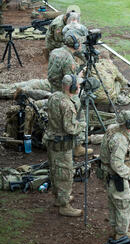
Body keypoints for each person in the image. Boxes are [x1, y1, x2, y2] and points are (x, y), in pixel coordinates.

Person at [99, 109, 130, 239]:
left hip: (107, 173)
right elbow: (116, 164)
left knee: (114, 202)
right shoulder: (120, 139)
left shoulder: (113, 128)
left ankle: (115, 228)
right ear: (127, 123)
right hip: (116, 176)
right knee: (124, 204)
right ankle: (121, 235)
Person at [42, 74, 86, 217]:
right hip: (62, 144)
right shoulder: (67, 104)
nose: (79, 88)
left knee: (55, 171)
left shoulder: (54, 96)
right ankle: (64, 205)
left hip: (51, 140)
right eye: (77, 86)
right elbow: (70, 128)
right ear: (71, 87)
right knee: (65, 174)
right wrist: (83, 125)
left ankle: (59, 197)